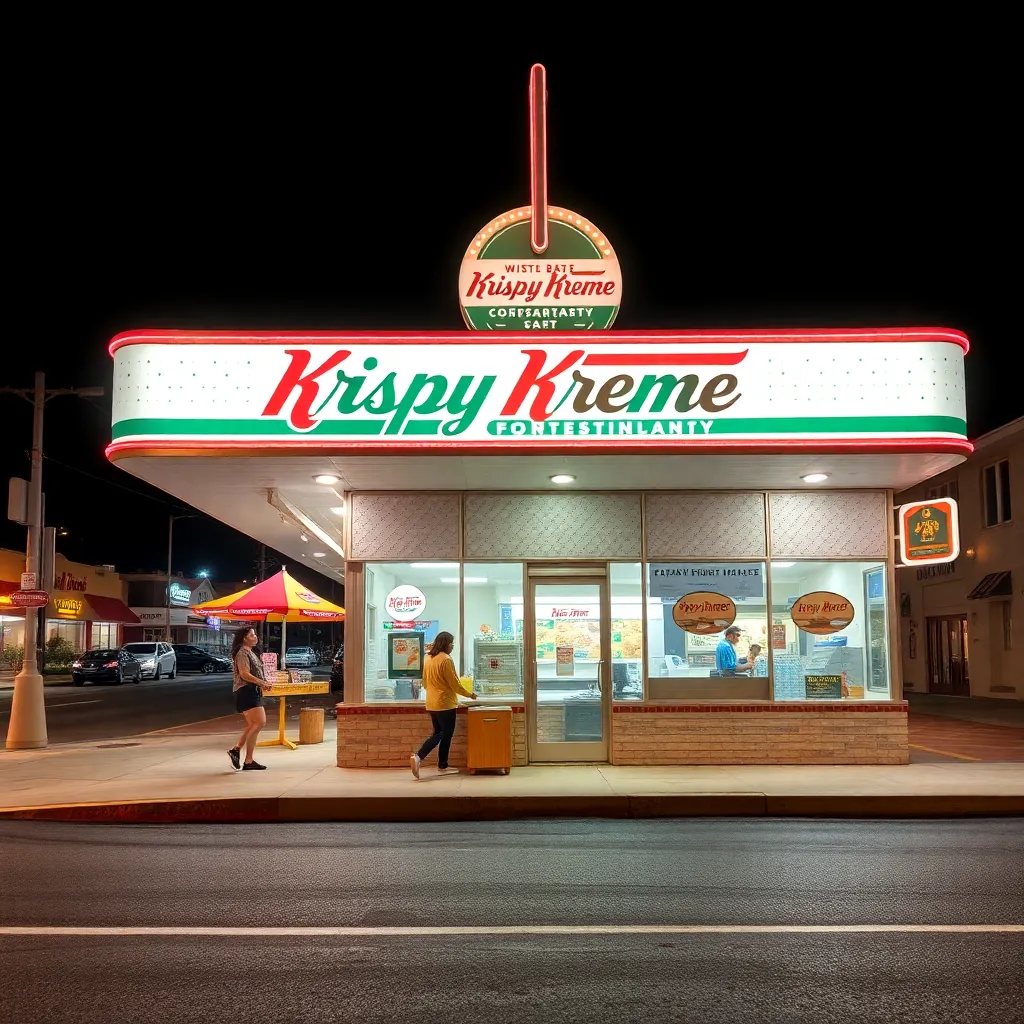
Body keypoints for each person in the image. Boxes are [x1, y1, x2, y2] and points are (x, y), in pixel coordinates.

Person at [410, 631, 477, 779]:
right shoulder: (446, 659)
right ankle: (419, 756)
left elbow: (426, 683)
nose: (452, 646)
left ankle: (442, 765)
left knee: (439, 733)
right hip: (445, 704)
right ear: (445, 644)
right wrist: (470, 694)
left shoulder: (428, 658)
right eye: (451, 643)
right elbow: (455, 684)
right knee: (444, 734)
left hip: (432, 702)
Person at [227, 626, 275, 771]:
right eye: (252, 635)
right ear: (244, 638)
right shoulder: (242, 653)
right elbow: (244, 674)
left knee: (254, 725)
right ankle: (237, 750)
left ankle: (247, 759)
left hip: (250, 691)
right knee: (260, 722)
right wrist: (262, 683)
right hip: (246, 691)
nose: (256, 637)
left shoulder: (250, 652)